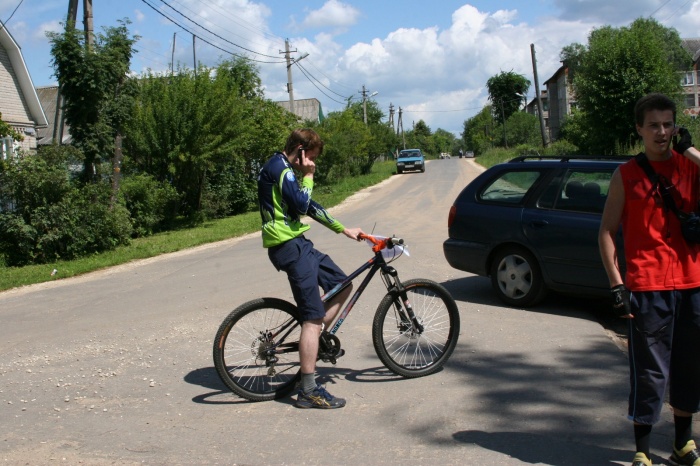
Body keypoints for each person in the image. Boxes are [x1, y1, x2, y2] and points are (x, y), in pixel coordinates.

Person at [599, 93, 700, 466]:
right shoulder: (626, 175)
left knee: (690, 367)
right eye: (654, 125)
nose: (662, 132)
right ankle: (641, 450)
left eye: (668, 124)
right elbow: (607, 232)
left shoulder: (691, 168)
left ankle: (682, 445)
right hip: (647, 286)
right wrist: (616, 284)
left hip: (692, 284)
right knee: (650, 371)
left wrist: (690, 152)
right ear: (639, 129)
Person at [257, 128, 364, 409]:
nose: (312, 162)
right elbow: (303, 204)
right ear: (301, 149)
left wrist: (344, 230)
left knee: (343, 283)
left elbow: (310, 206)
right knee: (312, 318)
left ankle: (314, 336)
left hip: (298, 241)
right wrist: (309, 175)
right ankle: (308, 389)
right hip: (287, 246)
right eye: (312, 157)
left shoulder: (285, 170)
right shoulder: (280, 168)